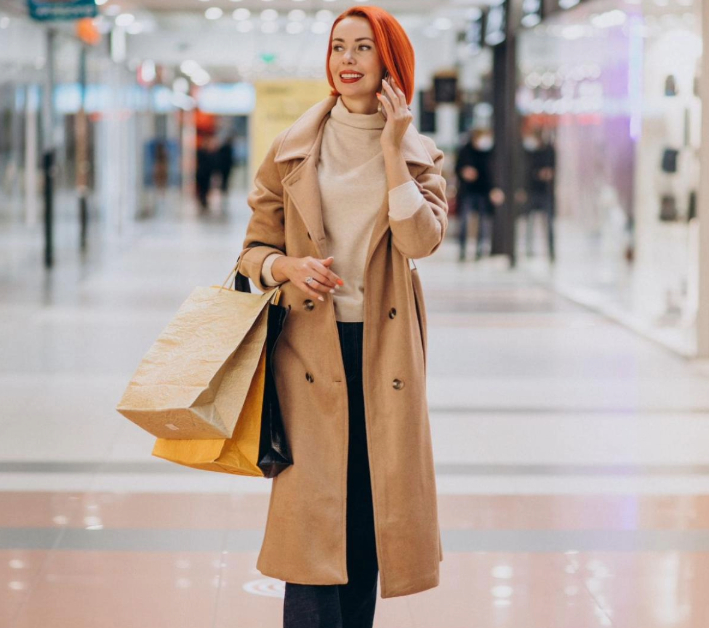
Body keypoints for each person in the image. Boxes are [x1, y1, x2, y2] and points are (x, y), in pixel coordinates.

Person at [237, 6, 446, 627]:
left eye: (362, 47)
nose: (347, 60)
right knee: (310, 525)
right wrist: (286, 267)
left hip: (385, 351)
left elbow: (421, 241)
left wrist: (392, 150)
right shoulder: (293, 149)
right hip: (308, 349)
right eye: (337, 47)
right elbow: (252, 252)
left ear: (390, 62)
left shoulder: (418, 155)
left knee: (366, 515)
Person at [454, 129, 496, 261]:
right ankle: (462, 250)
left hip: (484, 191)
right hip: (468, 191)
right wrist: (464, 172)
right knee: (464, 221)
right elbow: (458, 168)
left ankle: (480, 250)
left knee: (484, 223)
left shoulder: (489, 153)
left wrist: (494, 189)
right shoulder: (465, 151)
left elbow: (491, 172)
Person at [523, 131, 556, 262]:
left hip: (546, 192)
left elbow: (554, 169)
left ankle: (551, 250)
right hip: (533, 191)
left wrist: (549, 173)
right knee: (530, 222)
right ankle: (528, 249)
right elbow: (526, 171)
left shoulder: (549, 152)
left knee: (548, 223)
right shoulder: (530, 153)